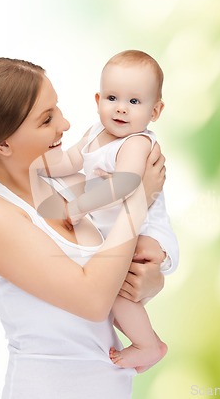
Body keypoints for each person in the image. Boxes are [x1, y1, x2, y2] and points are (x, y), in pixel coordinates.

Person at [0, 57, 171, 399]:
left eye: (58, 108)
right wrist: (139, 198)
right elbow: (93, 300)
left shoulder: (63, 186)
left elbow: (114, 267)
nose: (65, 124)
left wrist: (151, 280)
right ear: (3, 144)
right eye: (47, 119)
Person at [43, 50, 178, 373]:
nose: (121, 108)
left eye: (135, 102)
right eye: (113, 97)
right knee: (114, 292)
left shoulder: (136, 143)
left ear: (155, 110)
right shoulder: (93, 135)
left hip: (147, 232)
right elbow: (71, 161)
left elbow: (126, 183)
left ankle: (149, 345)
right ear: (98, 98)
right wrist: (42, 163)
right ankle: (140, 337)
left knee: (116, 285)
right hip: (119, 231)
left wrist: (80, 206)